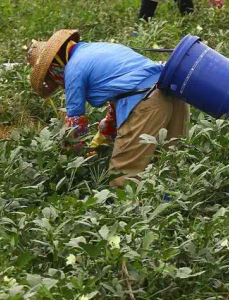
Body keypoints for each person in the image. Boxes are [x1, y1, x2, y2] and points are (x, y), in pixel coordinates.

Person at [27, 29, 189, 187]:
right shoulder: (99, 49)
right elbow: (116, 109)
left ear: (54, 65)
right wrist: (97, 143)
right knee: (170, 165)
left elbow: (75, 126)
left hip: (147, 103)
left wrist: (73, 160)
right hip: (174, 94)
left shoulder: (73, 69)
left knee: (123, 177)